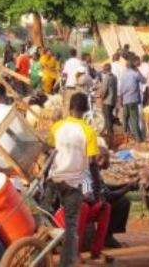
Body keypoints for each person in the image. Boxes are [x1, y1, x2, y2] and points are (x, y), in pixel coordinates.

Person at [45, 92, 99, 265]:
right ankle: (65, 263)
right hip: (73, 184)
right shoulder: (89, 131)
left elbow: (49, 151)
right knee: (71, 227)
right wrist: (96, 186)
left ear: (69, 108)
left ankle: (38, 252)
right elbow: (92, 164)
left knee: (44, 219)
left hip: (53, 180)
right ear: (85, 110)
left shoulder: (57, 127)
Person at [119, 55, 146, 142]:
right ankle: (138, 138)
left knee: (125, 118)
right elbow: (144, 80)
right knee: (134, 119)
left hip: (125, 99)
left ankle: (126, 136)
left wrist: (120, 98)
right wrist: (138, 71)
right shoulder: (135, 74)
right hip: (133, 99)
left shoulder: (123, 74)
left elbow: (121, 87)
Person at [100, 63, 117, 144]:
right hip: (113, 100)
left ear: (105, 69)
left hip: (107, 101)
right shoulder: (114, 77)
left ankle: (110, 137)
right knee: (110, 116)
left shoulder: (106, 77)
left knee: (107, 119)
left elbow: (104, 90)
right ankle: (112, 131)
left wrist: (101, 98)